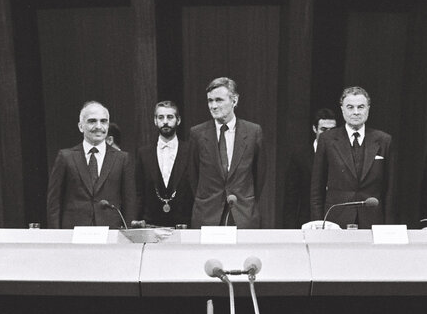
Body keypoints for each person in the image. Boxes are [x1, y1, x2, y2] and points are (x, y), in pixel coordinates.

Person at [310, 86, 396, 229]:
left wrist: (388, 227)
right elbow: (317, 189)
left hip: (373, 220)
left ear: (368, 108)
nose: (356, 112)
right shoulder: (327, 140)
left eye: (361, 107)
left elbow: (390, 190)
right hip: (335, 220)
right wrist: (319, 224)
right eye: (350, 107)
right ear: (342, 109)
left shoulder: (384, 140)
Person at [189, 77, 265, 228]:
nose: (213, 106)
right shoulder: (197, 133)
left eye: (219, 100)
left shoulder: (253, 132)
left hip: (242, 215)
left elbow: (259, 174)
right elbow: (193, 175)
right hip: (207, 216)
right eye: (210, 101)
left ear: (234, 100)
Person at [47, 101, 136, 229]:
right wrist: (56, 236)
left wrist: (128, 235)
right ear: (80, 126)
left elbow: (130, 202)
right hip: (74, 233)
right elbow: (54, 203)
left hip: (111, 233)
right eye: (92, 121)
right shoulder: (65, 157)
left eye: (104, 121)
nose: (99, 126)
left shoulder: (122, 159)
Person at [136, 101, 193, 227]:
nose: (165, 121)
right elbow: (139, 192)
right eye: (160, 117)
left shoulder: (190, 151)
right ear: (155, 121)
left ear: (178, 120)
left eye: (170, 117)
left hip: (184, 225)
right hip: (151, 224)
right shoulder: (144, 153)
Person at [283, 108, 337, 228]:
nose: (328, 134)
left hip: (336, 220)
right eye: (323, 129)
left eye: (332, 130)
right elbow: (291, 198)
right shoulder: (300, 156)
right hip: (307, 220)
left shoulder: (343, 154)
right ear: (314, 128)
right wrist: (290, 229)